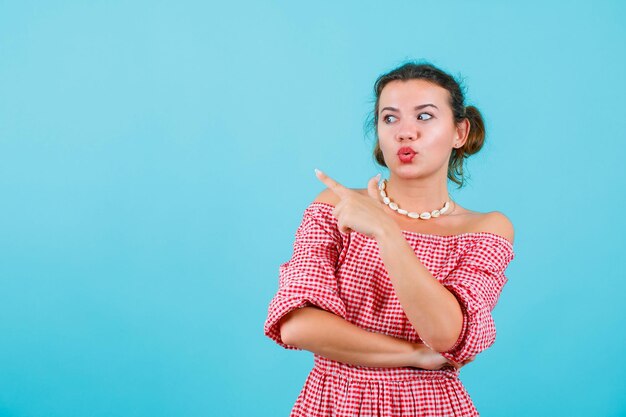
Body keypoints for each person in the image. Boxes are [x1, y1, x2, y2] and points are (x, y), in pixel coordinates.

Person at [263, 61, 515, 416]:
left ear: (460, 132)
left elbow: (446, 335)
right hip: (334, 401)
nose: (405, 133)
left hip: (432, 406)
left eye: (424, 117)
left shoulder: (486, 229)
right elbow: (296, 325)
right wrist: (414, 355)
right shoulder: (337, 207)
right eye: (390, 118)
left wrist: (385, 231)